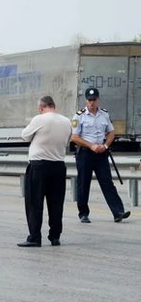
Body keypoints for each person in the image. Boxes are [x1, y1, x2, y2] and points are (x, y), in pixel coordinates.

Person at [17, 96, 72, 247]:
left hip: (39, 166)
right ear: (54, 105)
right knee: (56, 203)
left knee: (34, 202)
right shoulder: (66, 122)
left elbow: (25, 136)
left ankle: (35, 237)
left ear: (41, 107)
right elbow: (67, 141)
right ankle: (55, 236)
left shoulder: (40, 119)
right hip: (59, 166)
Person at [71, 87, 130, 223]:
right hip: (86, 153)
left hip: (101, 153)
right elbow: (74, 137)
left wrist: (105, 146)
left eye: (94, 100)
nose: (92, 102)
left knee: (107, 182)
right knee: (83, 184)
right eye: (89, 100)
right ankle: (83, 213)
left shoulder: (104, 114)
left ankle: (118, 212)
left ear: (98, 100)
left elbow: (111, 133)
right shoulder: (79, 116)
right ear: (86, 100)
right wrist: (91, 145)